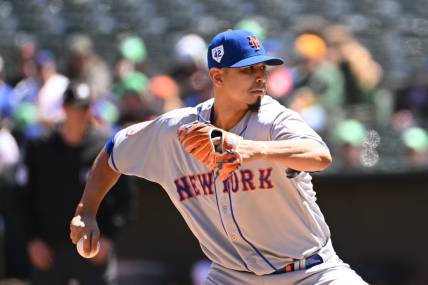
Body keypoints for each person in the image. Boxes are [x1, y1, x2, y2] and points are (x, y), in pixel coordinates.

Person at [70, 30, 367, 284]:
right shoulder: (176, 131)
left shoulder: (273, 119)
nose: (260, 77)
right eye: (247, 70)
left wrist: (252, 149)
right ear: (217, 76)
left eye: (262, 69)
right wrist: (86, 209)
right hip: (232, 276)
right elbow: (114, 149)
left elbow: (319, 154)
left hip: (310, 272)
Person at [21, 82, 134, 285]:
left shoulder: (105, 147)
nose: (80, 113)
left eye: (84, 107)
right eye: (75, 107)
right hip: (49, 248)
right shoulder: (40, 147)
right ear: (64, 108)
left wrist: (109, 237)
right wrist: (32, 240)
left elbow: (125, 198)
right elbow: (24, 197)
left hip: (93, 246)